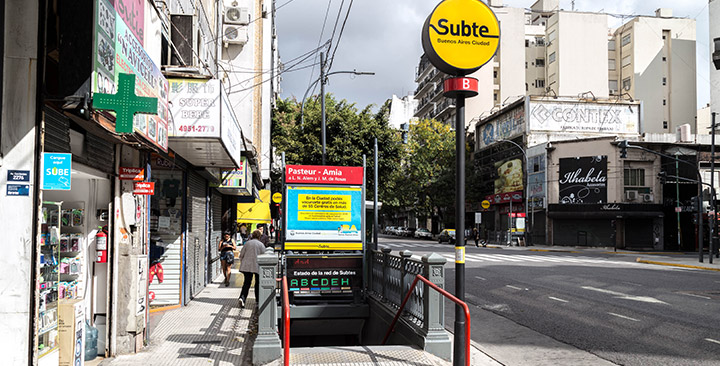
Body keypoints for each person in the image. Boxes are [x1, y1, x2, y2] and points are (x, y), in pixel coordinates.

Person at [238, 229, 266, 308]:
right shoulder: (261, 245)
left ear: (252, 236)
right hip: (257, 266)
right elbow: (264, 256)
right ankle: (257, 300)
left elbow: (241, 255)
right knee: (257, 283)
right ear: (259, 236)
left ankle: (242, 298)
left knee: (246, 283)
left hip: (247, 266)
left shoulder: (247, 243)